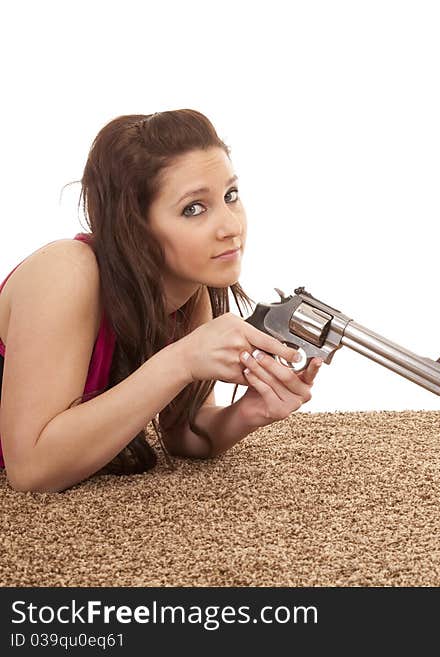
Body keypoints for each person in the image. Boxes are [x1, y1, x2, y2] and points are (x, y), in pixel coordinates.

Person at [0, 109, 322, 493]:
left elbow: (184, 433)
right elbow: (31, 470)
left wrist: (248, 412)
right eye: (194, 208)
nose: (231, 226)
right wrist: (182, 360)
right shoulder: (65, 272)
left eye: (230, 196)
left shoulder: (189, 289)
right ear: (134, 226)